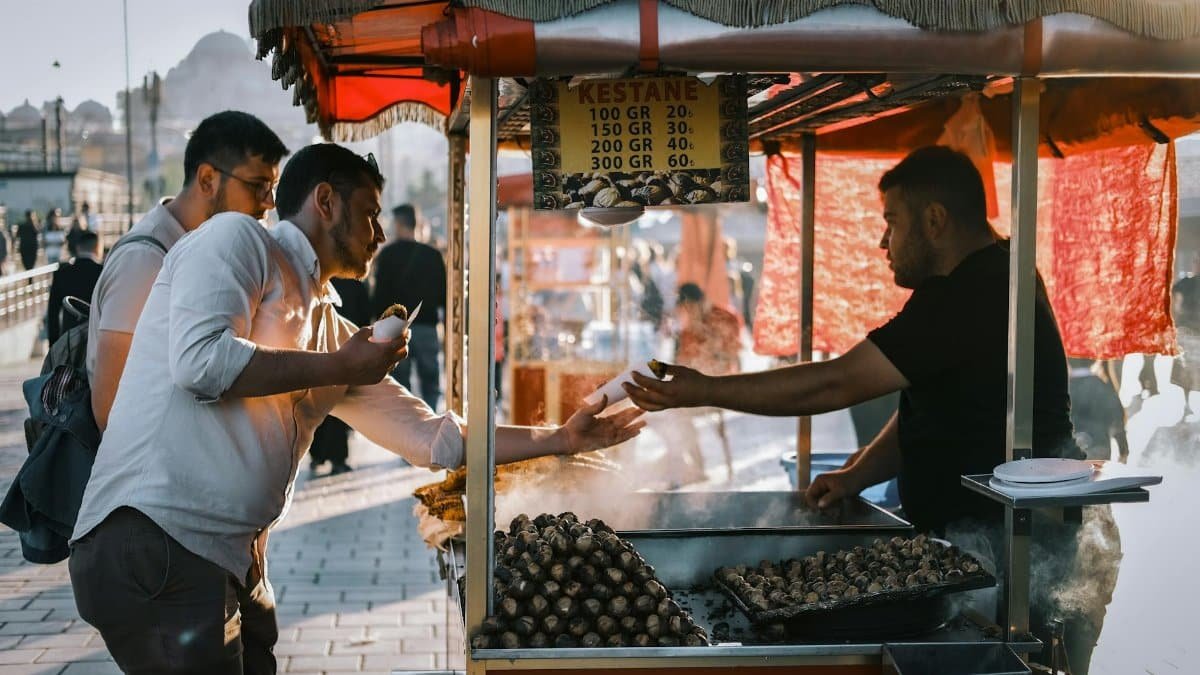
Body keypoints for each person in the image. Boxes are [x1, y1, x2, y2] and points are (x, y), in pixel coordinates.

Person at [68, 143, 645, 674]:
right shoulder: (238, 241)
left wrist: (560, 439)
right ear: (325, 200)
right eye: (369, 214)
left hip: (226, 558)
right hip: (156, 541)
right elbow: (200, 364)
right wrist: (340, 367)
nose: (378, 234)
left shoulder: (327, 328)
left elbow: (432, 438)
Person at [625, 146, 1112, 675]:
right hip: (979, 541)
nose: (883, 241)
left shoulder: (972, 293)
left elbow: (837, 382)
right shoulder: (982, 279)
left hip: (1020, 551)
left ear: (934, 219)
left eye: (891, 222)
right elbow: (934, 402)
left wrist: (707, 390)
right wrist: (860, 472)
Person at [87, 110, 289, 433]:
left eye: (273, 187)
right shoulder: (145, 261)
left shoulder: (203, 248)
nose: (269, 202)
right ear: (208, 179)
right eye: (258, 186)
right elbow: (110, 409)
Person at [371, 203, 446, 409]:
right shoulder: (433, 255)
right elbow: (443, 295)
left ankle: (409, 431)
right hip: (428, 327)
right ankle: (431, 424)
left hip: (397, 328)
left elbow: (379, 297)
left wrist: (379, 328)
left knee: (401, 387)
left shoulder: (387, 256)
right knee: (431, 383)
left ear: (397, 224)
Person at [308, 276, 371, 476]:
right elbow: (365, 315)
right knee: (340, 402)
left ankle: (317, 454)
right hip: (348, 347)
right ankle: (338, 458)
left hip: (319, 349)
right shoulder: (355, 280)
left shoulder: (319, 279)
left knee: (318, 402)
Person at [45, 230, 102, 344]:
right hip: (95, 339)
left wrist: (53, 344)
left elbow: (53, 312)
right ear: (97, 247)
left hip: (69, 339)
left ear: (78, 248)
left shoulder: (62, 273)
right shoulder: (102, 272)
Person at [1068, 358, 1129, 462]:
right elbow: (1117, 420)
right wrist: (1123, 448)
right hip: (1099, 450)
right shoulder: (1102, 386)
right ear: (1094, 360)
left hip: (1069, 453)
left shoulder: (1064, 387)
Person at [1169, 252, 1200, 420]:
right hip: (1187, 333)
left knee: (1190, 370)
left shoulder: (1185, 283)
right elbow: (1176, 301)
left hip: (1192, 332)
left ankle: (1188, 403)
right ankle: (1187, 403)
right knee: (1185, 370)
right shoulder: (1185, 283)